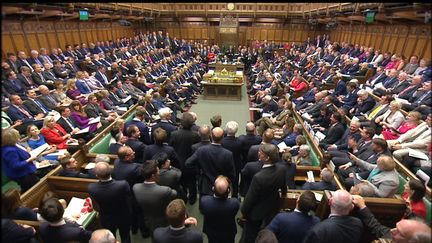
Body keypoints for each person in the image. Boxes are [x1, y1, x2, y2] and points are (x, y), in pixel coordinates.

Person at [240, 144, 287, 243]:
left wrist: (244, 212)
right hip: (273, 206)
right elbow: (283, 187)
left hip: (257, 212)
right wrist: (283, 196)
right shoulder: (282, 169)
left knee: (250, 235)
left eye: (261, 153)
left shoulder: (258, 177)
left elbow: (250, 198)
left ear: (267, 158)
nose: (258, 154)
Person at [352, 194, 431, 242]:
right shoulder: (391, 235)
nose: (392, 230)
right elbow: (377, 227)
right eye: (396, 227)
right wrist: (362, 206)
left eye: (399, 232)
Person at [88, 162, 133, 243]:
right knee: (125, 235)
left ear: (96, 175)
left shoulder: (92, 188)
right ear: (111, 171)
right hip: (123, 215)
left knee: (109, 238)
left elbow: (96, 206)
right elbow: (128, 200)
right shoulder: (123, 184)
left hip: (106, 217)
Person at [185, 127, 236, 197]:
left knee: (204, 205)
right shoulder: (228, 154)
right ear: (223, 137)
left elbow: (188, 163)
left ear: (211, 136)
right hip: (222, 187)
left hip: (205, 186)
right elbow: (232, 175)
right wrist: (225, 181)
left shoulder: (201, 150)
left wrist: (199, 172)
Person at [133, 160, 177, 232]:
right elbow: (174, 193)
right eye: (158, 170)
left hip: (148, 220)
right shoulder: (164, 190)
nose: (159, 171)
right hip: (164, 222)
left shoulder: (135, 187)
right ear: (153, 175)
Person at [200, 175, 240, 243]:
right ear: (228, 191)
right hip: (228, 232)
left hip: (212, 232)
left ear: (213, 188)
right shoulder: (235, 203)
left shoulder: (204, 201)